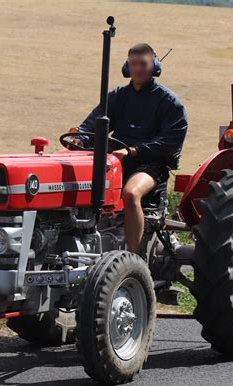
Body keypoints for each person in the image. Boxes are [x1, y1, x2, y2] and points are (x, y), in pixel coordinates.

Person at [73, 43, 188, 254]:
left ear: (154, 66)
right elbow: (92, 125)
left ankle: (133, 259)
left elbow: (169, 143)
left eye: (142, 64)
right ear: (127, 67)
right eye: (133, 64)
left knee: (130, 194)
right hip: (117, 161)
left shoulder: (169, 102)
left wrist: (134, 150)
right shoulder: (117, 96)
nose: (137, 69)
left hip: (151, 164)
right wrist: (80, 139)